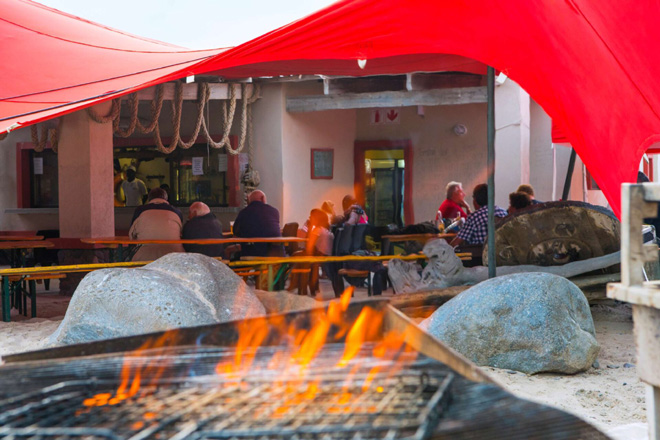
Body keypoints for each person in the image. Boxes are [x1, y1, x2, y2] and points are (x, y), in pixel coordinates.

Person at [129, 188, 184, 261]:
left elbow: (131, 235)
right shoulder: (177, 211)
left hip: (144, 257)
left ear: (149, 198)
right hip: (174, 256)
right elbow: (180, 233)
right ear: (166, 198)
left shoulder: (140, 211)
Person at [233, 190, 284, 257]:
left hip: (252, 254)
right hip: (277, 254)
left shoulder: (243, 213)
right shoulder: (274, 211)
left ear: (249, 201)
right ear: (263, 199)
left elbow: (235, 232)